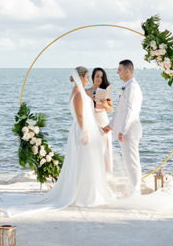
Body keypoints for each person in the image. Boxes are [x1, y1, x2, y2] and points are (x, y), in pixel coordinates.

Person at [28, 67, 116, 210]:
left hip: (83, 128)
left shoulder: (79, 92)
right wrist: (85, 132)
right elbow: (80, 115)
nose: (89, 79)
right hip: (81, 129)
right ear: (80, 77)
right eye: (87, 76)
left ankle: (85, 189)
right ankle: (83, 193)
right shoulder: (79, 93)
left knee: (84, 160)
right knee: (83, 160)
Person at [108, 59, 143, 196]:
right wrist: (110, 125)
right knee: (128, 162)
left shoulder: (132, 87)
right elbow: (119, 110)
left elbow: (130, 110)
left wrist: (123, 130)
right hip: (125, 129)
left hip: (130, 130)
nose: (117, 72)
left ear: (127, 71)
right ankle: (133, 189)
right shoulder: (125, 86)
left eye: (120, 69)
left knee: (132, 162)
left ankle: (135, 191)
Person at [87, 67, 115, 174]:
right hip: (91, 119)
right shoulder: (87, 91)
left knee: (104, 149)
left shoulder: (105, 92)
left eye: (101, 77)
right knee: (91, 147)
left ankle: (103, 174)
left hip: (103, 119)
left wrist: (104, 104)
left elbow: (111, 110)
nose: (99, 79)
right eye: (97, 76)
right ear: (93, 77)